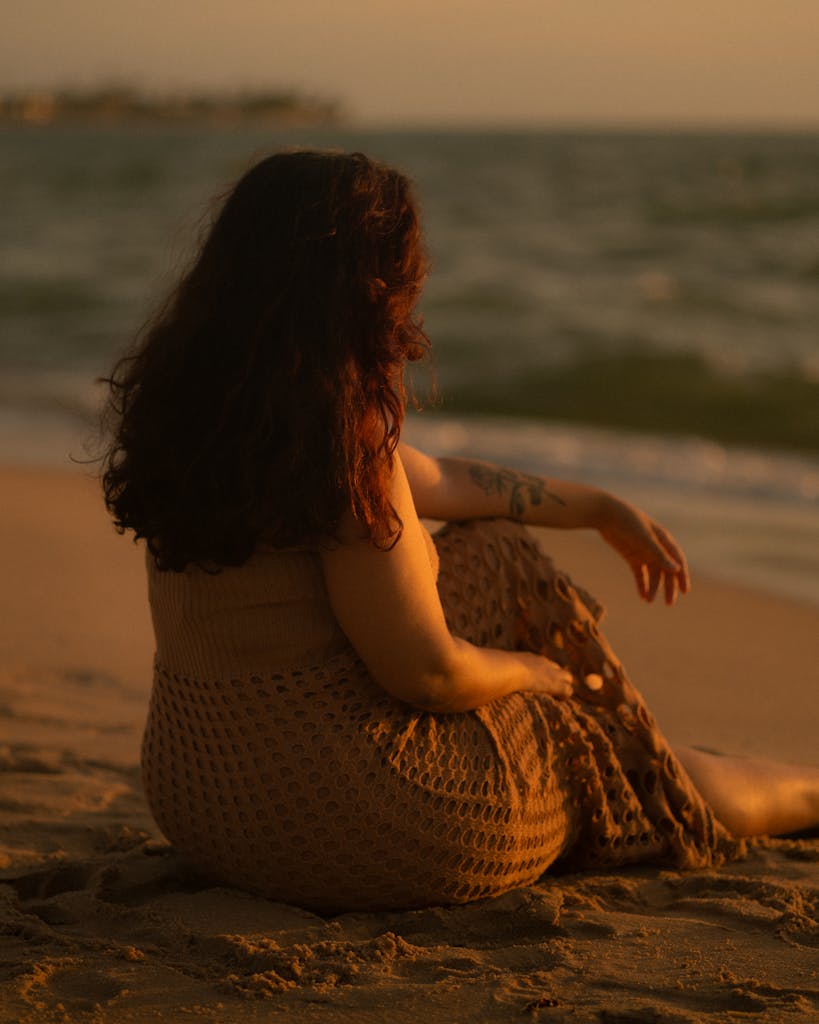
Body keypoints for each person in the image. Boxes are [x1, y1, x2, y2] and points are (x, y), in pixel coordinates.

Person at [101, 149, 819, 914]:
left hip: (205, 799)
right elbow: (428, 677)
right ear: (368, 281)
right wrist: (534, 674)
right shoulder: (342, 443)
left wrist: (599, 507)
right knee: (608, 755)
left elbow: (442, 480)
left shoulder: (196, 413)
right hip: (362, 822)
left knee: (496, 547)